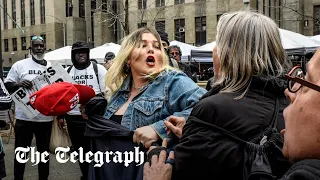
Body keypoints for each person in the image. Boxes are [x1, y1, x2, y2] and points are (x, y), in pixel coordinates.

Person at [172, 11, 292, 179]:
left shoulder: (211, 109)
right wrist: (196, 135)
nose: (214, 50)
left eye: (217, 42)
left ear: (228, 54)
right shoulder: (295, 104)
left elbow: (187, 170)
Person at [104, 27, 206, 149]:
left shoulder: (172, 81)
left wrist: (158, 129)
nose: (151, 49)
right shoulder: (119, 91)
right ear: (128, 58)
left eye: (157, 47)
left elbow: (206, 107)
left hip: (154, 166)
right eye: (142, 45)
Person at [4, 36, 53, 180]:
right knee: (21, 153)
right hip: (24, 117)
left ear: (44, 47)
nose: (39, 48)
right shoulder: (20, 65)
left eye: (41, 45)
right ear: (30, 49)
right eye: (36, 46)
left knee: (43, 154)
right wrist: (19, 84)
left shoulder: (51, 66)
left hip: (45, 118)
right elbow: (7, 84)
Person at [57, 41, 107, 180]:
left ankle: (96, 175)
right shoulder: (67, 72)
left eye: (84, 51)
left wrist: (91, 103)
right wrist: (60, 116)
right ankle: (85, 175)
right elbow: (62, 96)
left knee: (96, 150)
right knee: (80, 151)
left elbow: (107, 93)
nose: (82, 54)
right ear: (73, 55)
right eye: (78, 52)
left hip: (94, 118)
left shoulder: (99, 69)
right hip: (73, 118)